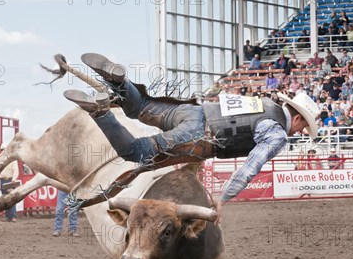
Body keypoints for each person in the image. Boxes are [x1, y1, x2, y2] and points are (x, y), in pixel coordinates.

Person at [62, 53, 320, 218]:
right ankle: (100, 112)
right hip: (198, 137)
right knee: (136, 151)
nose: (298, 131)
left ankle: (119, 82)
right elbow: (251, 166)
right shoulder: (277, 133)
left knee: (139, 108)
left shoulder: (265, 103)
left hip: (192, 111)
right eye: (302, 127)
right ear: (297, 118)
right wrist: (224, 197)